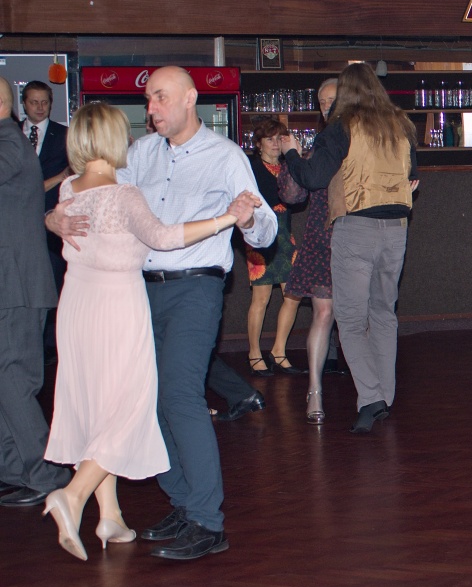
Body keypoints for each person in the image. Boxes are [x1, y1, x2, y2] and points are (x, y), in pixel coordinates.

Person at [47, 66, 277, 560]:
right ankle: (185, 503)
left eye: (160, 98)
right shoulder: (139, 155)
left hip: (196, 287)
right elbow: (93, 193)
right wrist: (53, 217)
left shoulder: (226, 156)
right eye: (148, 100)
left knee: (178, 394)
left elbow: (265, 230)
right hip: (137, 293)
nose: (151, 109)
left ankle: (209, 522)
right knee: (144, 401)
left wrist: (248, 219)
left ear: (191, 98)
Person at [282, 63, 419, 434]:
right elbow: (412, 175)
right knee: (384, 313)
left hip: (356, 228)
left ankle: (371, 397)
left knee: (350, 318)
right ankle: (384, 397)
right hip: (397, 229)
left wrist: (292, 154)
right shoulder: (401, 125)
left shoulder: (341, 126)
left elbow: (313, 178)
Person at [0, 76, 71, 508]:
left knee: (13, 377)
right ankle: (15, 468)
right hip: (13, 284)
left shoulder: (8, 143)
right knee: (6, 378)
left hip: (18, 286)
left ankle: (46, 473)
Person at [280, 77, 348, 425]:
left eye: (331, 99)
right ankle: (315, 390)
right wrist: (290, 157)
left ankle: (372, 391)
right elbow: (293, 196)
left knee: (361, 317)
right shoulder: (319, 146)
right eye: (321, 101)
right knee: (323, 313)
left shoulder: (359, 140)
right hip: (323, 236)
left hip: (356, 235)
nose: (326, 106)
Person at [244, 117, 302, 376]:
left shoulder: (289, 166)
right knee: (261, 298)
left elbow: (300, 198)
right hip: (260, 236)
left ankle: (279, 351)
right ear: (259, 143)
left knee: (293, 295)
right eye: (270, 139)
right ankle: (254, 353)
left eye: (280, 138)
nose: (276, 143)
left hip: (285, 235)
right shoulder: (251, 167)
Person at [22, 81, 71, 364]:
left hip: (53, 223)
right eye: (34, 102)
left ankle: (52, 347)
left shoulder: (64, 135)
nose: (40, 107)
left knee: (54, 282)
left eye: (45, 102)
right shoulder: (11, 136)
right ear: (24, 104)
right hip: (18, 225)